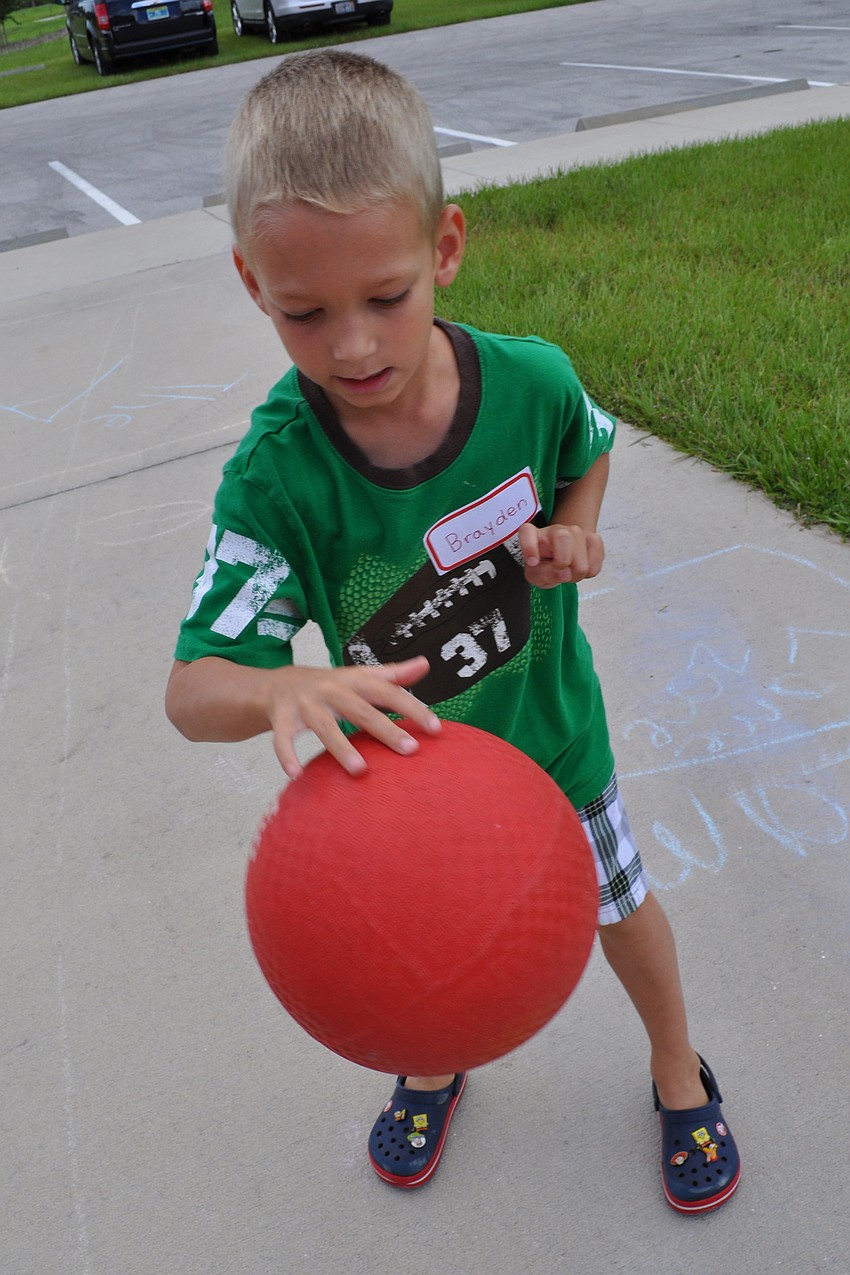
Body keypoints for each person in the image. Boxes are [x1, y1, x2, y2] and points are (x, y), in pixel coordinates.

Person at [165, 48, 740, 1213]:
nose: (353, 347)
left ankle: (676, 1063)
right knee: (423, 958)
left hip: (554, 744)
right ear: (249, 284)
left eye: (386, 296)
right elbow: (194, 687)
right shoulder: (279, 481)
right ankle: (436, 1053)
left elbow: (590, 449)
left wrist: (578, 535)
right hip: (415, 800)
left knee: (622, 910)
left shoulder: (527, 386)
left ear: (445, 249)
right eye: (304, 314)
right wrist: (277, 691)